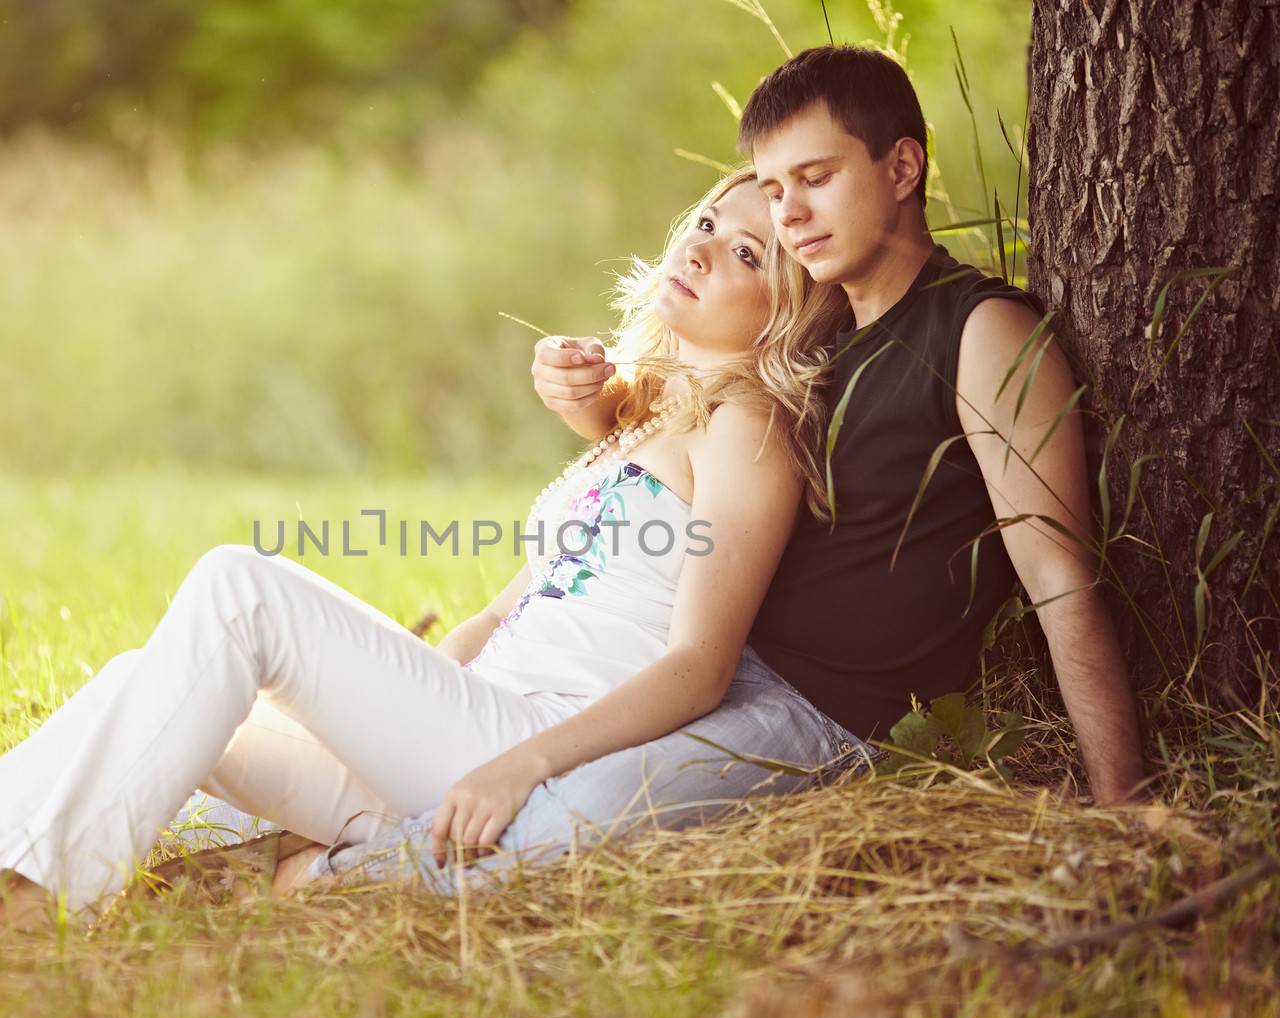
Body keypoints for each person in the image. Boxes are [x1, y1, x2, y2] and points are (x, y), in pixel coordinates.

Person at [162, 43, 1152, 897]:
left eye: (816, 176)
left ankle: (313, 879)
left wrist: (1120, 807)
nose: (791, 212)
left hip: (824, 708)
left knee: (560, 819)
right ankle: (233, 821)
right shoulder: (821, 334)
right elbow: (701, 446)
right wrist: (591, 398)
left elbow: (1059, 578)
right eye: (772, 189)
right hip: (701, 660)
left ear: (901, 166)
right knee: (497, 764)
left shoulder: (982, 331)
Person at [0, 162, 860, 939]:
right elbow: (521, 602)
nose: (702, 247)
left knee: (238, 588)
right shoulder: (644, 413)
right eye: (710, 220)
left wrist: (520, 758)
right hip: (458, 729)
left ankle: (2, 902)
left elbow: (697, 663)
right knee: (160, 681)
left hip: (520, 749)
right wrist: (393, 688)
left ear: (785, 307)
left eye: (747, 253)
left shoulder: (750, 431)